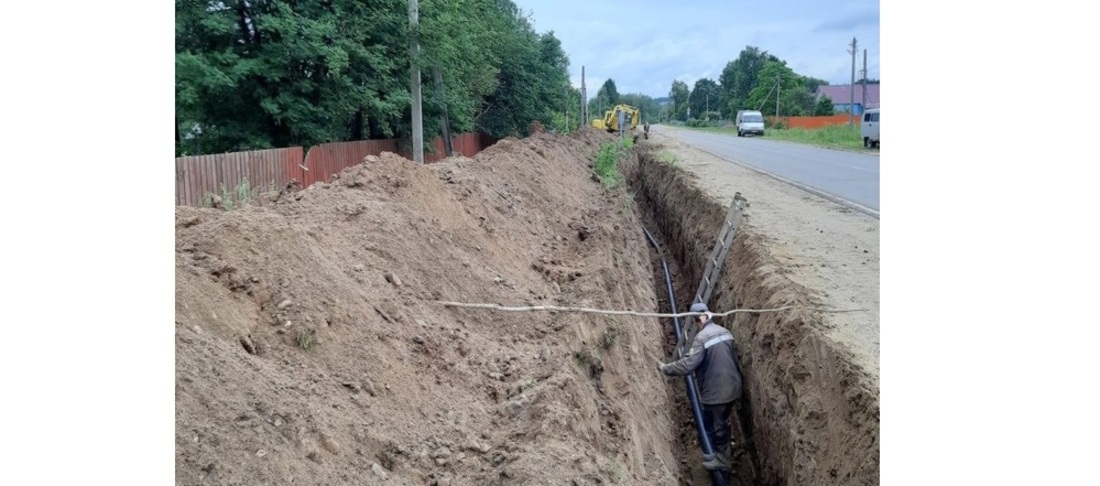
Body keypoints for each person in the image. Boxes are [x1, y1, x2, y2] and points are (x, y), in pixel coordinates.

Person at [657, 302, 742, 472]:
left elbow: (688, 365)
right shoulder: (725, 332)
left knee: (715, 426)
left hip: (716, 392)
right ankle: (720, 453)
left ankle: (723, 461)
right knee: (722, 420)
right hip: (733, 386)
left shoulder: (702, 338)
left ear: (698, 321)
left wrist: (666, 368)